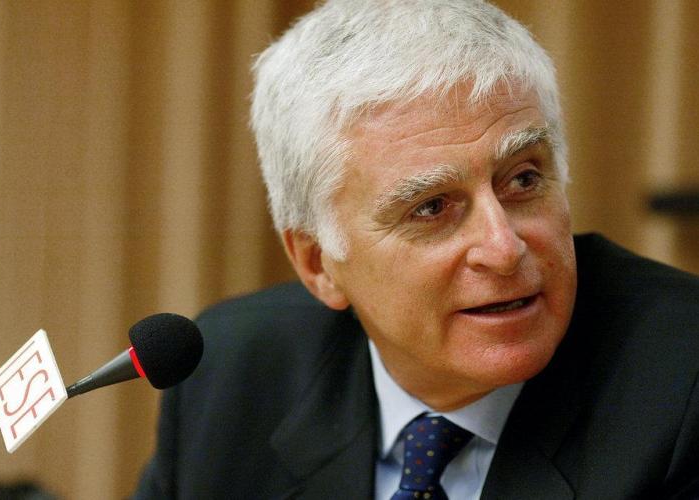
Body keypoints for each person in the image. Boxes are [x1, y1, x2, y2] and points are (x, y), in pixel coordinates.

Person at [134, 1, 699, 498]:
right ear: (317, 264)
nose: (503, 249)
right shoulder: (233, 376)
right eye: (430, 208)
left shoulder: (682, 387)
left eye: (523, 180)